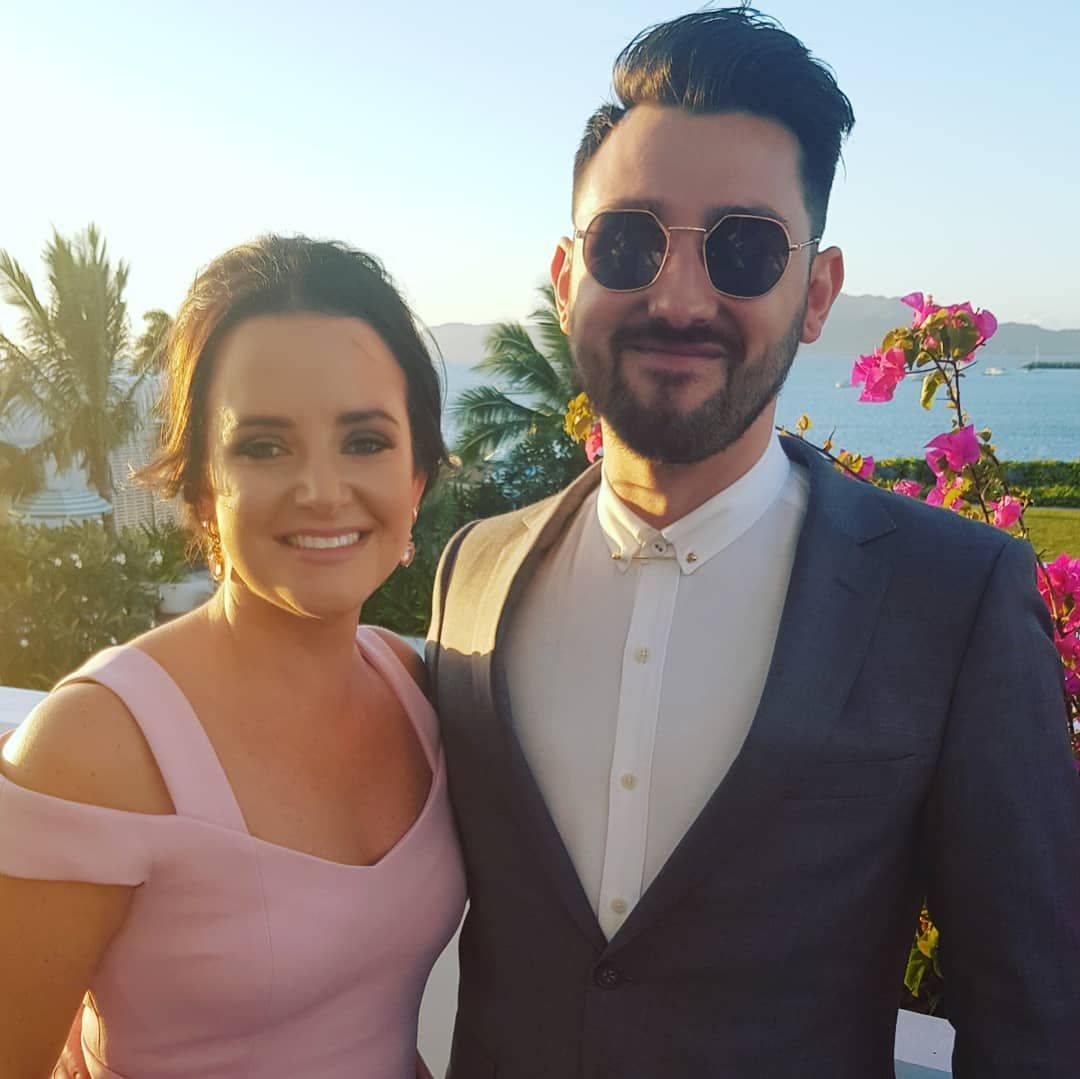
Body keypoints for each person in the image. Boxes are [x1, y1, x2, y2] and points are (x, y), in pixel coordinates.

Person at [427, 8, 1080, 1077]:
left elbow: (1034, 1022)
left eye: (744, 249)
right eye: (628, 241)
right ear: (567, 275)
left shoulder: (952, 600)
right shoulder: (474, 572)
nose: (678, 296)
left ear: (816, 294)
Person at [0, 236, 466, 1079]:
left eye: (365, 440)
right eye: (263, 446)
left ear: (417, 478)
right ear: (202, 488)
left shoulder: (415, 688)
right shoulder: (95, 747)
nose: (321, 489)